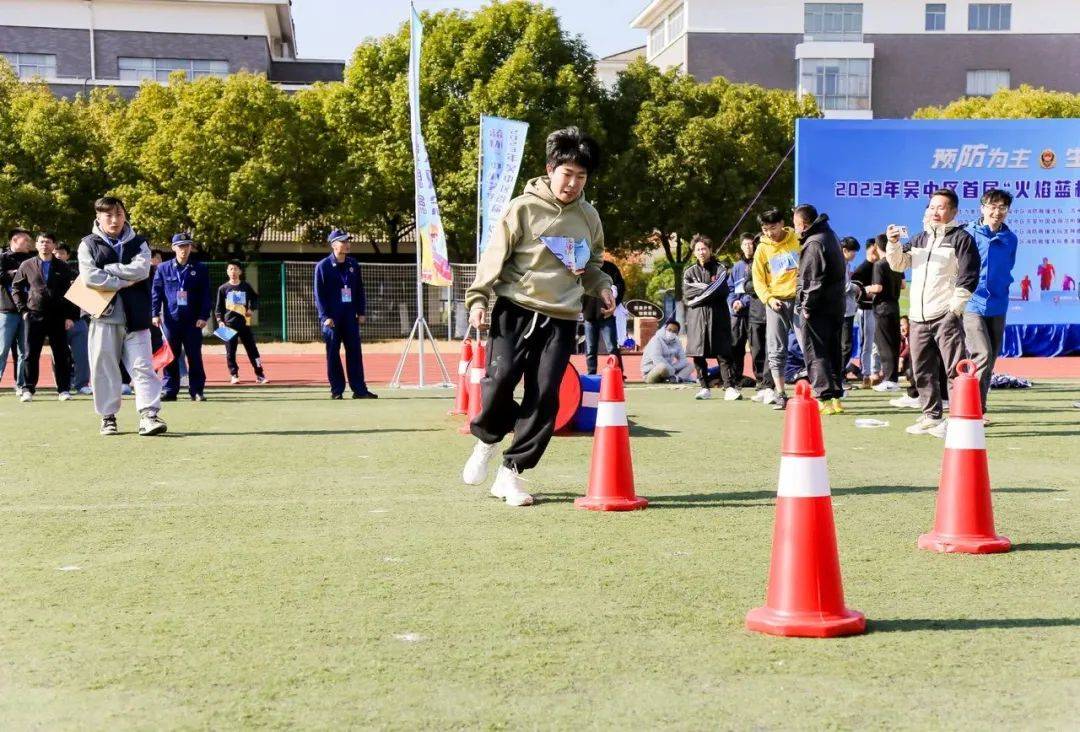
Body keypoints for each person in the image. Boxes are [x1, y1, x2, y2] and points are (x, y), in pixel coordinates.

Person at [461, 126, 615, 507]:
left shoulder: (589, 217)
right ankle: (487, 439)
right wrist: (478, 299)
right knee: (497, 383)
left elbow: (592, 265)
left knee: (546, 396)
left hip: (561, 317)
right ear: (550, 169)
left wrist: (603, 286)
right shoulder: (522, 208)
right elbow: (493, 257)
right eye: (567, 174)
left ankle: (511, 473)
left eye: (581, 176)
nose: (573, 183)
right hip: (514, 309)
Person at [886, 188, 979, 437]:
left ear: (953, 211)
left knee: (954, 369)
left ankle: (959, 419)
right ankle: (930, 416)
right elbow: (898, 264)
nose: (935, 211)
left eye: (941, 207)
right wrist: (893, 243)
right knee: (922, 370)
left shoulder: (961, 239)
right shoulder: (919, 239)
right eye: (931, 207)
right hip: (918, 317)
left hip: (945, 314)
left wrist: (954, 310)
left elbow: (969, 277)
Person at [78, 196, 166, 436]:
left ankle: (149, 415)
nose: (115, 220)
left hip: (137, 317)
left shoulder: (140, 243)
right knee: (103, 368)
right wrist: (125, 280)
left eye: (119, 215)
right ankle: (108, 417)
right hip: (102, 316)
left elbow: (141, 270)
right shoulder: (87, 244)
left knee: (143, 367)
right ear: (98, 218)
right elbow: (89, 278)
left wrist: (108, 271)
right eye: (109, 216)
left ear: (125, 216)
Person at [964, 188, 1018, 421]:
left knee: (990, 359)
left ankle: (979, 409)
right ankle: (969, 409)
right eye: (992, 206)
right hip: (971, 302)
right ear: (982, 207)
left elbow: (1009, 267)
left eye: (1002, 208)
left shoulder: (1010, 239)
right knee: (982, 354)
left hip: (998, 304)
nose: (997, 212)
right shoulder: (968, 233)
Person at [792, 205, 846, 414]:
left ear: (803, 224)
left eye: (795, 225)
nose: (795, 229)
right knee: (833, 351)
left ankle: (824, 398)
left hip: (818, 308)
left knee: (816, 352)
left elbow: (812, 280)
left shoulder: (814, 243)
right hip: (835, 305)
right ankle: (836, 399)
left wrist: (806, 306)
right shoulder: (829, 235)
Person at [11, 233, 77, 402]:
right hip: (34, 315)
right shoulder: (27, 265)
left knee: (61, 353)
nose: (44, 245)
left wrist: (70, 316)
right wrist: (23, 310)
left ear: (53, 245)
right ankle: (28, 388)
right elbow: (16, 288)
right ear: (37, 244)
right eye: (41, 242)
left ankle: (63, 389)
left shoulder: (63, 266)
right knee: (30, 353)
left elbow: (71, 293)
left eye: (48, 242)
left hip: (58, 316)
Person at [314, 229, 377, 400]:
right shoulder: (323, 266)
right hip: (332, 318)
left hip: (350, 316)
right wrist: (325, 316)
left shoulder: (353, 264)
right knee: (333, 353)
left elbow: (359, 289)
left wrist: (361, 311)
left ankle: (360, 390)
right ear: (334, 245)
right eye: (343, 241)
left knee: (355, 352)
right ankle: (337, 390)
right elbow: (319, 295)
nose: (348, 244)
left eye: (348, 241)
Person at [152, 234, 211, 402]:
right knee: (171, 355)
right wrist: (154, 313)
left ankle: (197, 390)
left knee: (194, 356)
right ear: (173, 248)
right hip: (171, 320)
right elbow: (156, 293)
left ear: (190, 247)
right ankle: (170, 389)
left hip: (193, 321)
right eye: (180, 246)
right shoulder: (163, 268)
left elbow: (206, 295)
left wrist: (203, 316)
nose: (184, 249)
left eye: (187, 246)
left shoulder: (200, 268)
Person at [752, 208, 801, 410]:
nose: (769, 232)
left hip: (799, 300)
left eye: (772, 227)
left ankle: (819, 392)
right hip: (776, 303)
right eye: (765, 229)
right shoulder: (762, 248)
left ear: (782, 223)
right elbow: (758, 279)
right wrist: (769, 299)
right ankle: (780, 393)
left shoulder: (797, 239)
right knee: (776, 349)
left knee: (809, 346)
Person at [683, 234, 738, 400]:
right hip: (696, 318)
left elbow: (720, 290)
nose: (701, 252)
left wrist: (699, 292)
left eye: (704, 248)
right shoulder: (689, 272)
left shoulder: (721, 268)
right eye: (698, 249)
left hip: (718, 316)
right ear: (694, 252)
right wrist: (708, 289)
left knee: (723, 352)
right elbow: (687, 295)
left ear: (710, 250)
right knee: (698, 353)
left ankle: (730, 387)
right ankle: (704, 387)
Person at [216, 261, 268, 385]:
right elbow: (218, 308)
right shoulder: (223, 288)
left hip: (244, 324)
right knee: (230, 352)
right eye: (230, 269)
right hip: (228, 325)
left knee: (253, 350)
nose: (233, 272)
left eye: (235, 269)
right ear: (227, 272)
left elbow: (255, 299)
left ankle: (260, 374)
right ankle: (234, 375)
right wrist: (220, 321)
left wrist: (251, 308)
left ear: (240, 271)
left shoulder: (245, 286)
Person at [55, 243, 93, 395]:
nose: (58, 255)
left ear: (68, 255)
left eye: (62, 252)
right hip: (56, 321)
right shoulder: (47, 272)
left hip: (78, 319)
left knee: (82, 354)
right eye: (56, 252)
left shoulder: (77, 272)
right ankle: (63, 384)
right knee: (59, 356)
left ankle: (82, 383)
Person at [1, 228, 35, 394]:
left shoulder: (31, 259)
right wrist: (16, 273)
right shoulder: (2, 258)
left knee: (25, 351)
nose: (29, 243)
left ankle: (21, 385)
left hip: (26, 311)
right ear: (14, 240)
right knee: (2, 349)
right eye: (25, 240)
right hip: (6, 310)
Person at [581, 253, 625, 375]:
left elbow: (620, 286)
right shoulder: (582, 268)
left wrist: (614, 304)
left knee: (612, 347)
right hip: (589, 315)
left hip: (607, 315)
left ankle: (618, 374)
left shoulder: (610, 267)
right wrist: (581, 307)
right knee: (590, 349)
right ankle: (591, 374)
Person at [871, 234, 903, 392]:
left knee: (884, 345)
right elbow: (903, 285)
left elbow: (878, 288)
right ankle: (893, 378)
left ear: (877, 247)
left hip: (882, 307)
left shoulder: (879, 265)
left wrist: (864, 289)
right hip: (895, 307)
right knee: (894, 343)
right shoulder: (895, 263)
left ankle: (889, 379)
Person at [850, 237, 880, 387]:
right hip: (866, 310)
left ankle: (878, 374)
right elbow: (855, 292)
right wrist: (869, 291)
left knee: (879, 343)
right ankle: (866, 375)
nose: (877, 252)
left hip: (881, 309)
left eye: (879, 249)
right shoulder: (861, 269)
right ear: (869, 249)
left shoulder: (881, 266)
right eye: (874, 248)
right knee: (866, 344)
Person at [728, 233, 755, 387]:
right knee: (736, 347)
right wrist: (733, 302)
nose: (748, 247)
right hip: (737, 315)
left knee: (756, 348)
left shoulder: (759, 262)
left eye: (751, 244)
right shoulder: (736, 267)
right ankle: (735, 378)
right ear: (741, 246)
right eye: (745, 244)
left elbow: (758, 289)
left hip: (753, 313)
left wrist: (743, 302)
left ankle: (762, 380)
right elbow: (730, 288)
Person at [838, 237, 860, 383]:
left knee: (846, 345)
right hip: (843, 310)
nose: (855, 255)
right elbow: (843, 286)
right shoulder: (840, 264)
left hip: (848, 309)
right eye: (853, 252)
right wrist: (857, 287)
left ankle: (840, 375)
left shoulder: (846, 264)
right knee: (845, 345)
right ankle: (839, 377)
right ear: (845, 250)